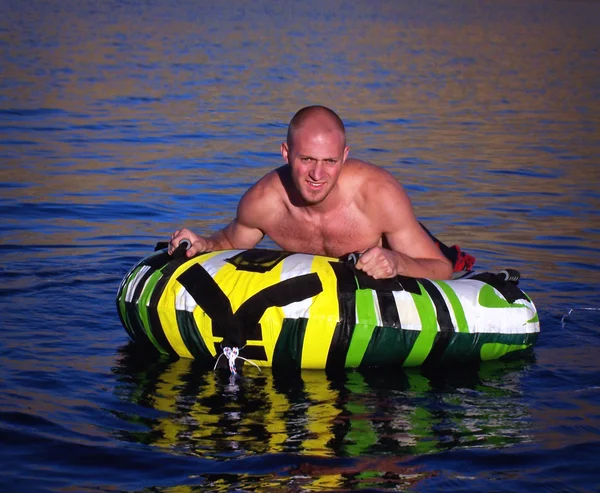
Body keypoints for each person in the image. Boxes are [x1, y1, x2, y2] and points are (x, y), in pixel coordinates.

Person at [169, 105, 454, 280]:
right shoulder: (264, 201)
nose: (317, 175)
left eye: (329, 161)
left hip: (401, 261)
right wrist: (203, 244)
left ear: (344, 157)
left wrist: (396, 262)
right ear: (285, 153)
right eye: (306, 160)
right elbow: (231, 241)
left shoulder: (379, 195)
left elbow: (441, 269)